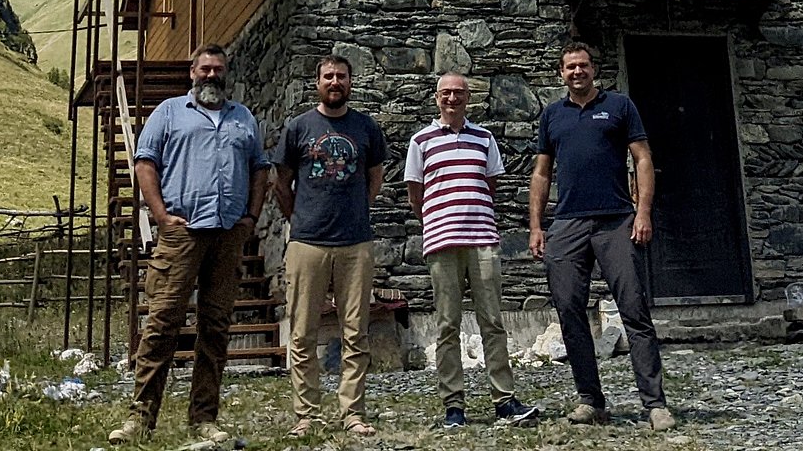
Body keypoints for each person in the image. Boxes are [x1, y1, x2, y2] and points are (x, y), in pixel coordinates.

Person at [109, 45, 268, 446]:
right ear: (192, 73)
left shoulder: (243, 118)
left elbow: (259, 169)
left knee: (215, 327)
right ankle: (140, 419)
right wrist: (161, 216)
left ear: (226, 74)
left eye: (218, 69)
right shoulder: (169, 113)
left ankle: (204, 418)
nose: (212, 75)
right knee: (162, 323)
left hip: (227, 234)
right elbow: (145, 163)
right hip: (182, 233)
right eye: (205, 69)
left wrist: (251, 217)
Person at [528, 42, 673, 431]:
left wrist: (643, 212)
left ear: (594, 69)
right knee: (569, 312)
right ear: (561, 73)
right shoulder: (552, 115)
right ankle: (591, 401)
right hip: (567, 224)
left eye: (583, 65)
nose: (577, 72)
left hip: (616, 221)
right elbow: (541, 173)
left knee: (634, 310)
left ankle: (655, 404)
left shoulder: (620, 106)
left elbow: (643, 158)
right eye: (570, 67)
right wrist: (537, 225)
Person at [404, 72, 540, 430]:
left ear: (468, 98)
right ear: (436, 98)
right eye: (446, 93)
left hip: (482, 241)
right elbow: (416, 196)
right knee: (447, 325)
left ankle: (504, 401)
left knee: (492, 322)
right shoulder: (420, 141)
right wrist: (440, 220)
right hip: (442, 243)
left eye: (459, 93)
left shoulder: (485, 138)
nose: (452, 99)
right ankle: (454, 407)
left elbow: (489, 185)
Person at [276, 54, 387, 438]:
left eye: (341, 76)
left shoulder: (366, 127)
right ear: (318, 82)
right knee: (303, 332)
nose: (335, 82)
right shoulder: (299, 127)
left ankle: (352, 412)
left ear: (350, 82)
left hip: (355, 243)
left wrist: (356, 211)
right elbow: (281, 183)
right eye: (328, 76)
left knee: (355, 332)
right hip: (307, 243)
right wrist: (300, 219)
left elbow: (375, 178)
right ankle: (306, 414)